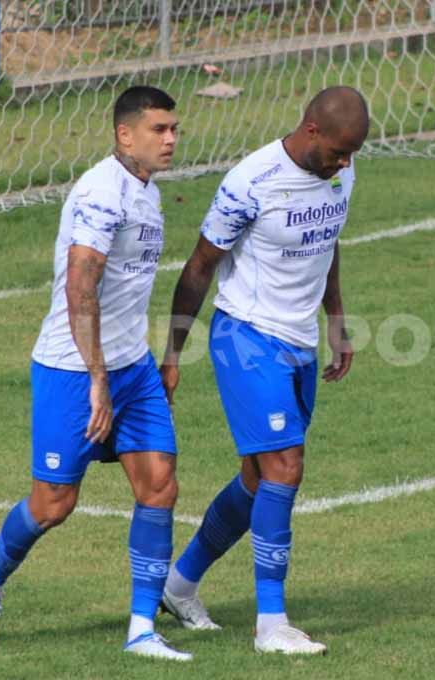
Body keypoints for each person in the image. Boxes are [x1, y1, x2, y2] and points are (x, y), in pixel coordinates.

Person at [0, 85, 192, 662]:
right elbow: (79, 287)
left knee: (159, 483)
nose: (170, 140)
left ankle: (141, 628)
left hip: (131, 366)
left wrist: (153, 360)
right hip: (72, 369)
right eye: (159, 129)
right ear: (125, 134)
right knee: (53, 505)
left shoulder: (146, 191)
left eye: (173, 129)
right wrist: (96, 380)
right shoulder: (100, 194)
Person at [155, 86, 368, 655]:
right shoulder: (251, 181)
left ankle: (178, 585)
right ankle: (272, 625)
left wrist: (337, 320)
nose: (345, 163)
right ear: (312, 130)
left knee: (258, 478)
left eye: (354, 154)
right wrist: (174, 353)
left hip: (297, 341)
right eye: (340, 151)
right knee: (285, 467)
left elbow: (329, 243)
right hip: (246, 335)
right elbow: (200, 266)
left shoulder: (341, 174)